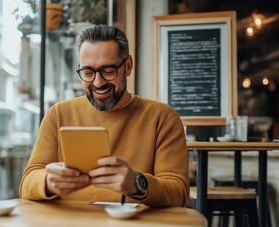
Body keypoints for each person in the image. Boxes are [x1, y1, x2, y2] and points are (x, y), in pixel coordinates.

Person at [19, 24, 189, 207]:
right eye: (88, 72)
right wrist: (47, 182)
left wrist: (136, 183)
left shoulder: (162, 117)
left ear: (128, 66)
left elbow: (178, 193)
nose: (98, 83)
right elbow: (28, 181)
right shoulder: (58, 114)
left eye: (108, 71)